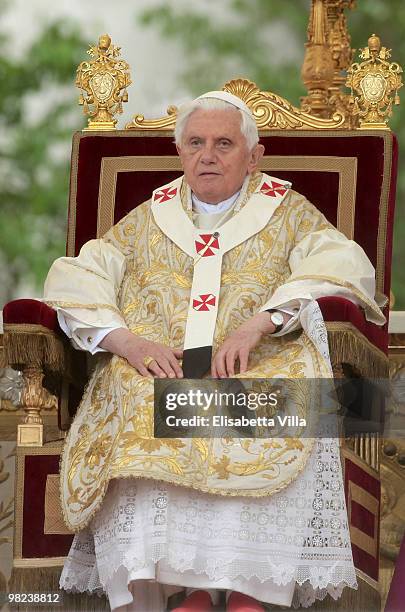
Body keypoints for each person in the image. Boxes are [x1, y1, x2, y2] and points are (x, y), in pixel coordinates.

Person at [44, 91, 386, 611]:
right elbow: (80, 276)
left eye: (224, 143)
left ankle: (248, 591)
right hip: (159, 365)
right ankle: (186, 590)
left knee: (277, 402)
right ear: (180, 152)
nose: (208, 155)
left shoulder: (288, 210)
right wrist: (125, 340)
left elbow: (343, 264)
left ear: (254, 156)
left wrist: (262, 323)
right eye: (196, 143)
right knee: (144, 400)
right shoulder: (148, 218)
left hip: (258, 361)